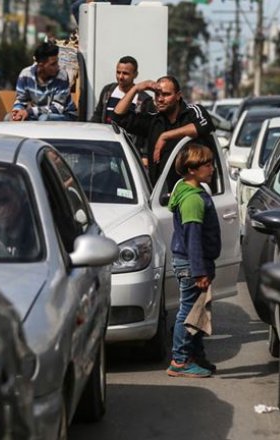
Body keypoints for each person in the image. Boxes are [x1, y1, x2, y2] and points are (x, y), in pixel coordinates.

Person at [166, 143, 221, 378]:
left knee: (198, 312)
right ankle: (179, 361)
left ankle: (195, 355)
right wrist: (199, 271)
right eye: (206, 165)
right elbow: (193, 238)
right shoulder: (192, 200)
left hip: (192, 263)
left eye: (211, 164)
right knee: (188, 312)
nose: (212, 169)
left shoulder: (187, 189)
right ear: (191, 169)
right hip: (192, 265)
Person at [111, 75, 215, 183]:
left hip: (194, 189)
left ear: (178, 96)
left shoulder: (192, 112)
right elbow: (117, 117)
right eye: (157, 94)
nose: (160, 99)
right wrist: (136, 88)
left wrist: (165, 136)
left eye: (166, 94)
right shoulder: (154, 121)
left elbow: (204, 125)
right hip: (161, 191)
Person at [10, 41, 77, 122]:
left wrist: (29, 112)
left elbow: (57, 108)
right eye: (53, 64)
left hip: (65, 115)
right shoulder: (25, 75)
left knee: (44, 119)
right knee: (8, 118)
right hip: (38, 114)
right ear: (41, 65)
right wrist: (17, 111)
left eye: (57, 62)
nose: (57, 66)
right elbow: (21, 100)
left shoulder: (62, 76)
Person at [91, 55, 153, 124]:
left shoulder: (144, 99)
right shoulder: (108, 90)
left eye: (125, 73)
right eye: (118, 72)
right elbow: (97, 115)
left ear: (135, 74)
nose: (121, 77)